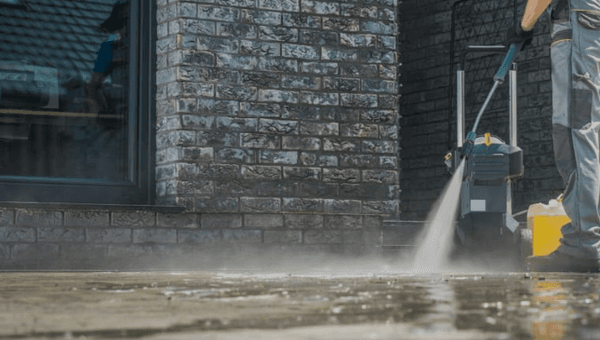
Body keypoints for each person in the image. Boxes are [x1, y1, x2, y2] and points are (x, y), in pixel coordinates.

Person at [513, 0, 600, 272]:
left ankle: (585, 243)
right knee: (589, 132)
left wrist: (523, 26)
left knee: (573, 134)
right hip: (588, 28)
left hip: (577, 28)